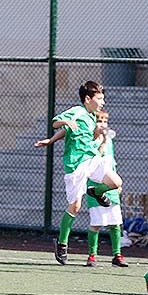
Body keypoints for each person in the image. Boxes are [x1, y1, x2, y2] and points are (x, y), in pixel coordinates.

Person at [34, 80, 122, 265]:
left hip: (92, 159)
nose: (102, 102)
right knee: (75, 207)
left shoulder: (92, 117)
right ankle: (62, 243)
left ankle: (96, 191)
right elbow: (57, 123)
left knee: (116, 182)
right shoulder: (77, 111)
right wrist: (53, 137)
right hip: (76, 165)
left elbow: (75, 132)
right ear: (88, 98)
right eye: (100, 98)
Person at [82, 110, 126, 267]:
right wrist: (101, 141)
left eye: (105, 121)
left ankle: (117, 255)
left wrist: (117, 184)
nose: (102, 124)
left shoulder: (110, 141)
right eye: (99, 121)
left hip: (109, 185)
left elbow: (111, 163)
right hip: (96, 184)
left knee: (115, 222)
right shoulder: (91, 139)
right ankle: (92, 255)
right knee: (96, 223)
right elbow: (94, 158)